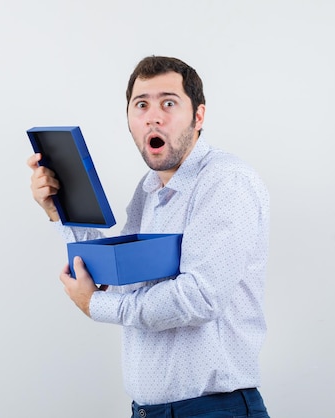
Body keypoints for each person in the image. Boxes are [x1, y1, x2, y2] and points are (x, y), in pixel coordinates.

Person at [27, 56, 271, 418]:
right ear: (129, 120)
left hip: (214, 411)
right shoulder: (150, 190)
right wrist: (58, 209)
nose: (153, 116)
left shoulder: (225, 181)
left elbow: (200, 297)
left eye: (169, 103)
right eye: (142, 105)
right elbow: (120, 277)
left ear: (199, 116)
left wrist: (96, 306)